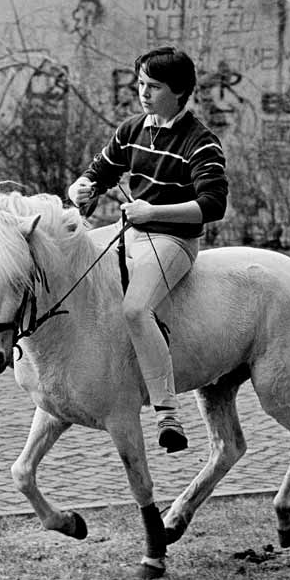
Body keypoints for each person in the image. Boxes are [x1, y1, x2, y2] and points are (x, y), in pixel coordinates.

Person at [67, 47, 228, 453]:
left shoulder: (201, 143)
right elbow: (99, 172)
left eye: (153, 87)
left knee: (136, 309)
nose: (143, 92)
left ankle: (167, 412)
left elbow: (213, 206)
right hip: (129, 229)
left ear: (180, 92)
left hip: (172, 241)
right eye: (140, 83)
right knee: (69, 262)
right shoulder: (132, 129)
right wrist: (80, 189)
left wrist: (152, 211)